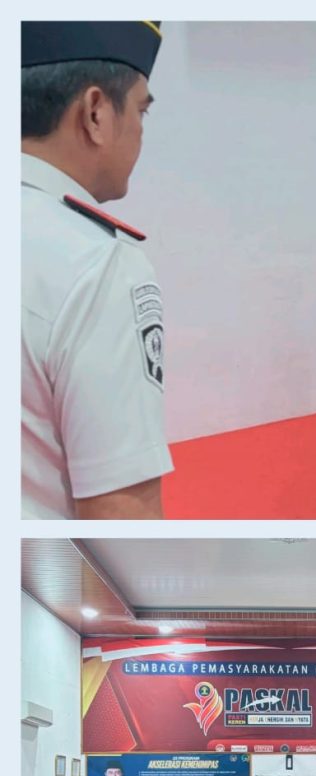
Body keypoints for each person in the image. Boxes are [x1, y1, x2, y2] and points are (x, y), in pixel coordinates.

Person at [21, 21, 172, 519]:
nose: (141, 132)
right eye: (141, 111)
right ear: (95, 113)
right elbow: (121, 514)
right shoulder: (97, 265)